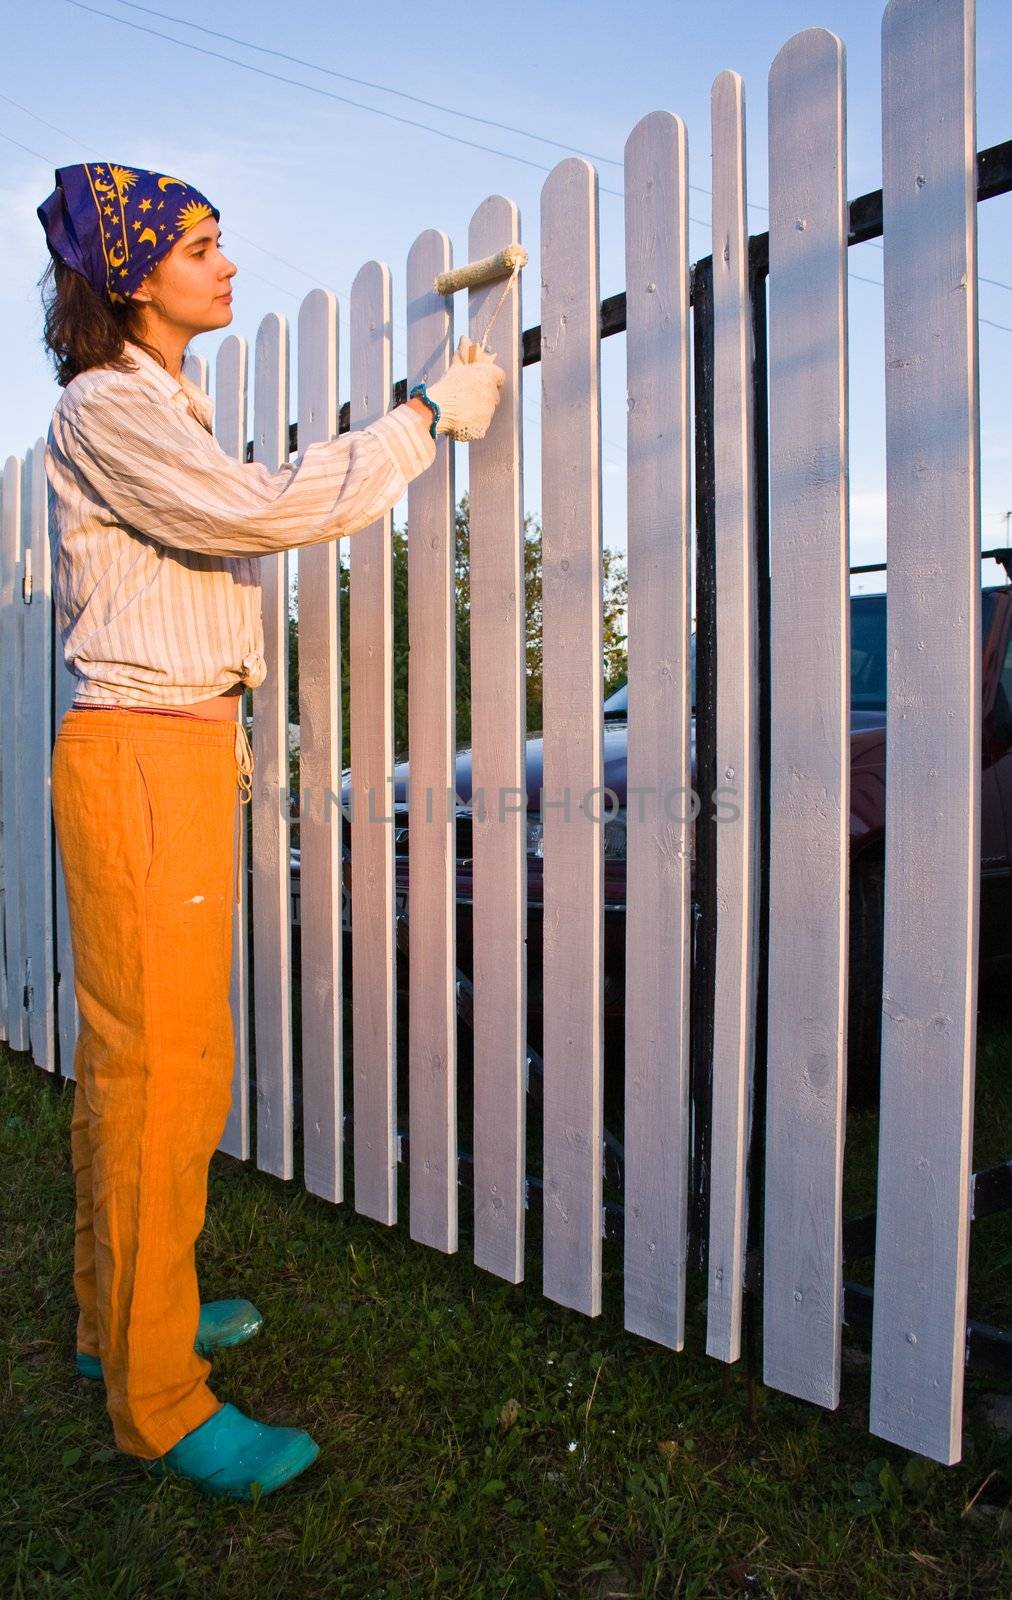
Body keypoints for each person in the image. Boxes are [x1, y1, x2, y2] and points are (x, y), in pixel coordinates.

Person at [37, 161, 505, 1501]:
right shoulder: (105, 407)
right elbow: (250, 511)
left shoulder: (158, 402)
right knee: (153, 1073)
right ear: (127, 275)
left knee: (169, 1059)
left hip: (175, 749)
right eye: (199, 244)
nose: (228, 263)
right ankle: (159, 1403)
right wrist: (423, 419)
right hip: (138, 751)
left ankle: (118, 1325)